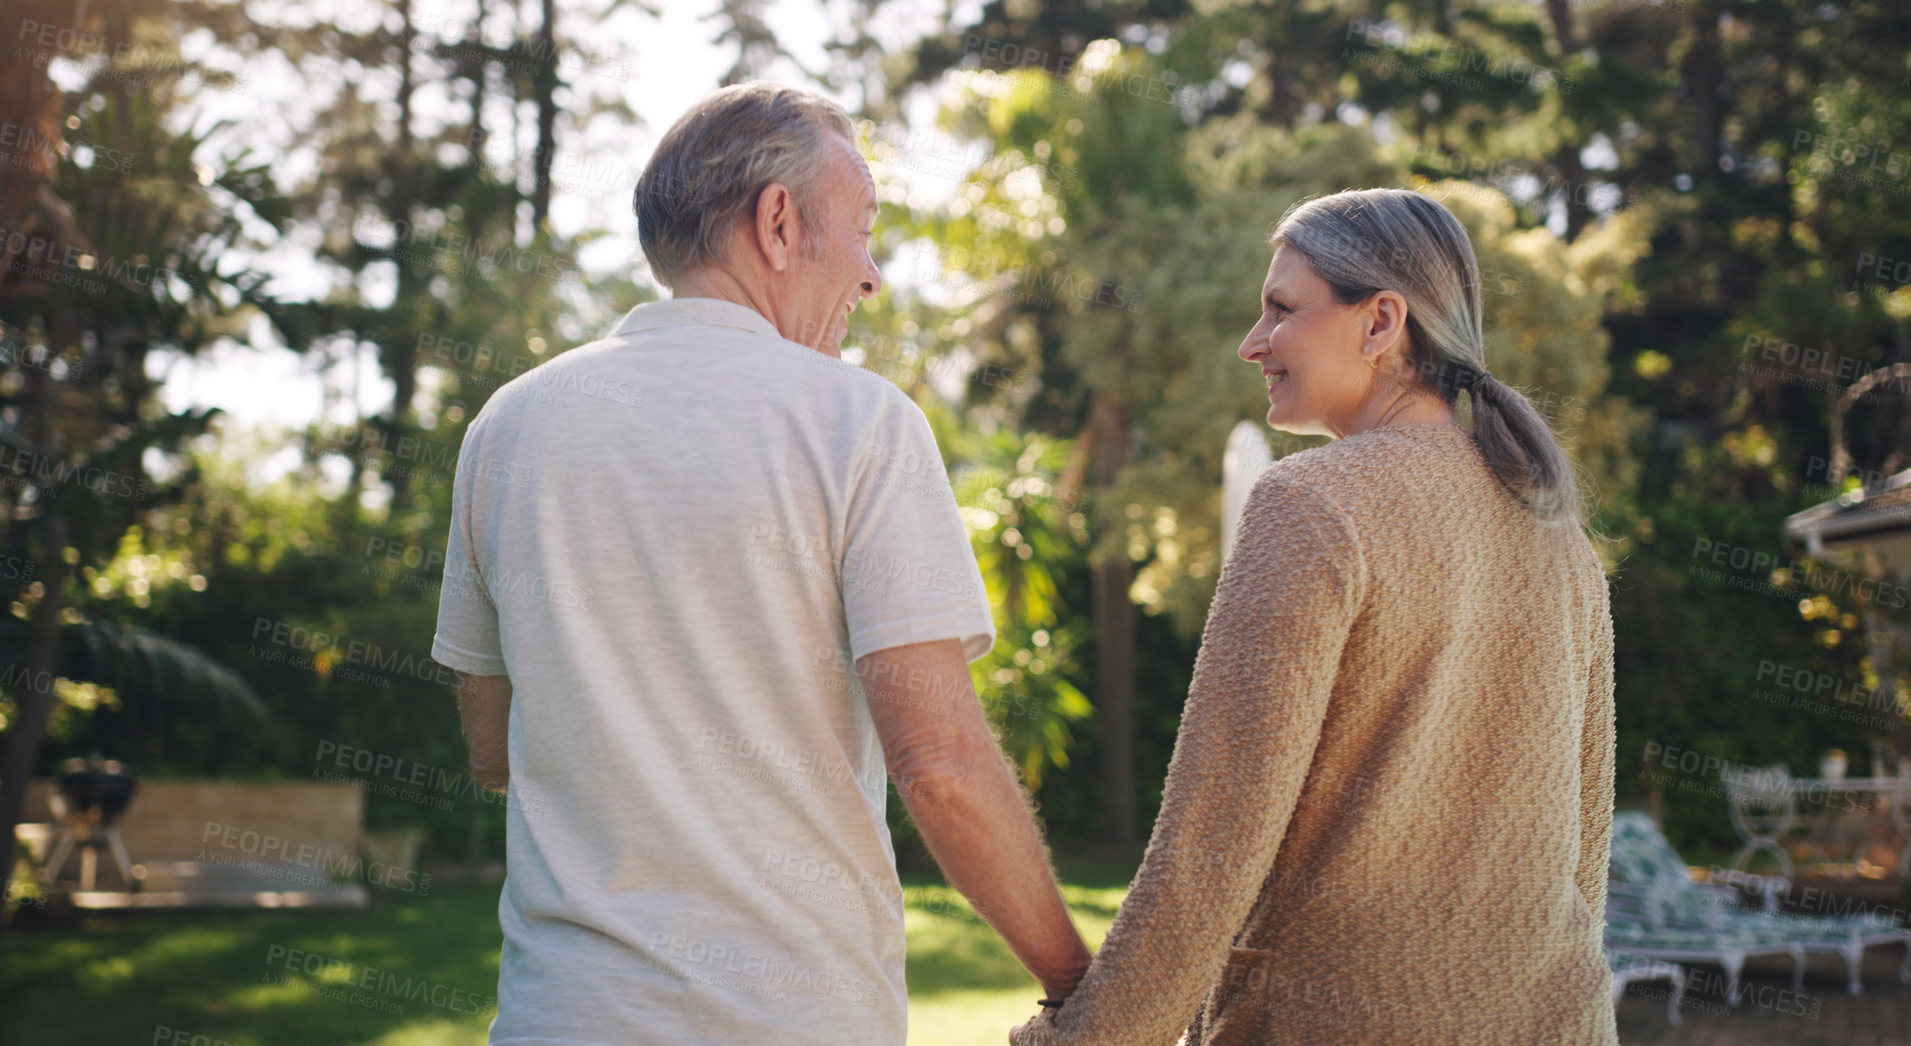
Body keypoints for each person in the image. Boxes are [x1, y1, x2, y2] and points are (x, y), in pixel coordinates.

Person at [432, 81, 1090, 1046]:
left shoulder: (507, 426)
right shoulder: (859, 423)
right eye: (863, 230)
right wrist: (1077, 981)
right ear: (778, 222)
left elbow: (491, 750)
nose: (872, 277)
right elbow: (939, 767)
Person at [1010, 188, 1618, 1045]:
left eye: (1280, 309)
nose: (1250, 342)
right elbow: (1582, 843)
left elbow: (1210, 849)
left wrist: (1085, 1038)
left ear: (1379, 323)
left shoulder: (1311, 503)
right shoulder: (1559, 536)